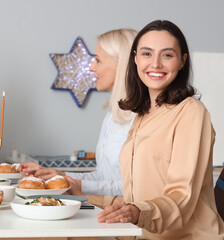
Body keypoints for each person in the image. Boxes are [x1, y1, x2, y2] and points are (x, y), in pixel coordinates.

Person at [97, 20, 224, 239]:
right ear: (135, 58)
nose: (155, 64)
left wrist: (138, 212)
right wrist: (78, 193)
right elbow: (134, 197)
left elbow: (181, 196)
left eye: (167, 55)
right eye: (147, 54)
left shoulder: (192, 112)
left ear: (182, 61)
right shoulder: (142, 114)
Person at [20, 28, 137, 208]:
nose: (91, 67)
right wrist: (59, 175)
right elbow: (101, 177)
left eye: (97, 60)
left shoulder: (142, 120)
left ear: (121, 64)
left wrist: (79, 185)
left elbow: (135, 190)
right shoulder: (112, 116)